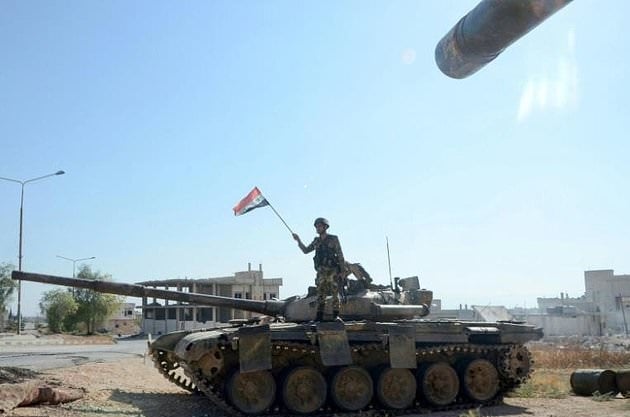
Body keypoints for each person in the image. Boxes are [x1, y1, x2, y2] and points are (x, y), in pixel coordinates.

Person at [292, 217, 345, 321]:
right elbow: (306, 250)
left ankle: (336, 315)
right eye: (316, 226)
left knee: (335, 293)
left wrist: (342, 271)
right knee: (321, 294)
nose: (317, 228)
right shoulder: (316, 241)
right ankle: (319, 316)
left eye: (320, 226)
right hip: (321, 271)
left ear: (325, 227)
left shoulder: (333, 239)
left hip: (332, 270)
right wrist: (298, 240)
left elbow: (340, 255)